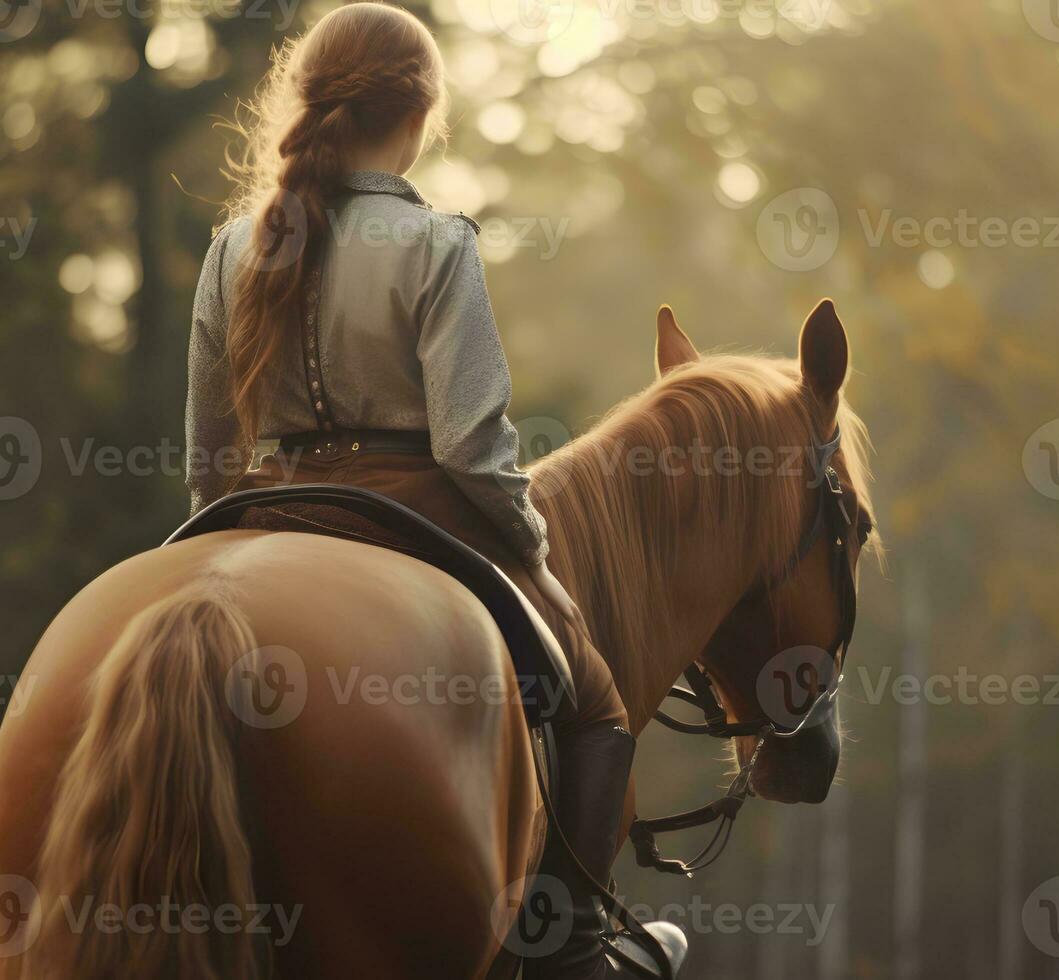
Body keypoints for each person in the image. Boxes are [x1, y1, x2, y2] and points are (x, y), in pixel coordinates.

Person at [183, 4, 685, 977]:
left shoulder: (229, 251)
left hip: (251, 516)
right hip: (420, 514)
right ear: (419, 115)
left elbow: (208, 457)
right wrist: (531, 545)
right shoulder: (438, 244)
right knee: (597, 708)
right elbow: (469, 447)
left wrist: (211, 535)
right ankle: (569, 950)